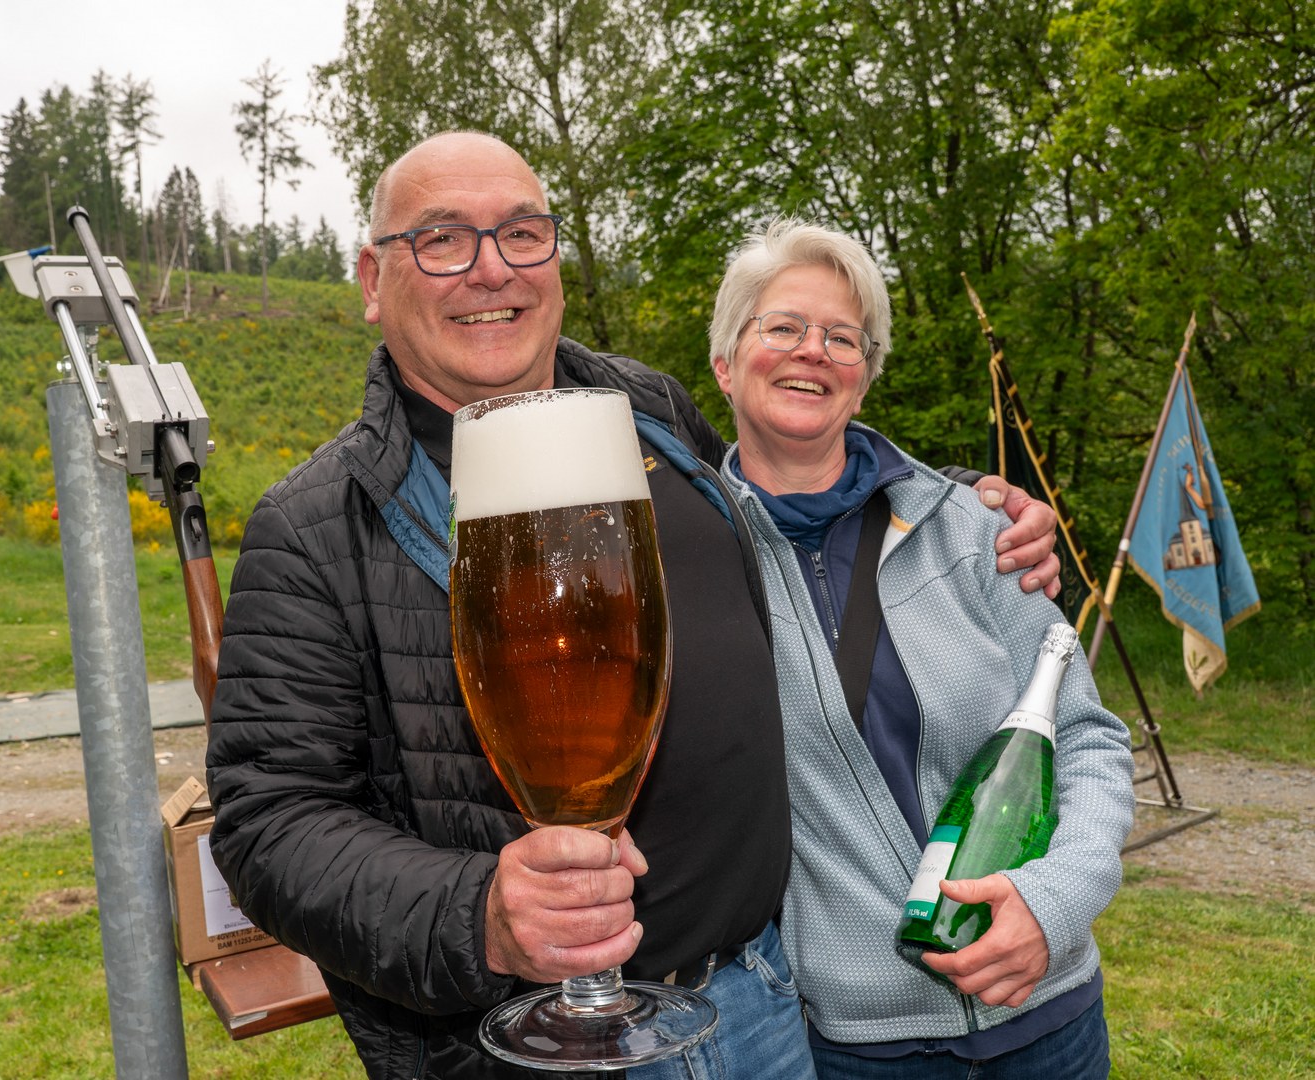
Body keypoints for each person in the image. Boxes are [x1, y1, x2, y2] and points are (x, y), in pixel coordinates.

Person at [204, 132, 1060, 1080]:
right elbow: (267, 823)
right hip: (548, 1047)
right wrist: (477, 913)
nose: (492, 269)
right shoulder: (317, 522)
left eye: (522, 233)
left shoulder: (644, 402)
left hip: (763, 995)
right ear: (373, 279)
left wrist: (951, 505)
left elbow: (785, 498)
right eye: (441, 239)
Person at [706, 217, 1134, 1078]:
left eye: (843, 338)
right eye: (784, 326)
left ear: (863, 379)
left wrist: (1052, 903)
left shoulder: (975, 531)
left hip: (1051, 1014)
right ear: (725, 361)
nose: (814, 350)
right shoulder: (694, 559)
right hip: (863, 1044)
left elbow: (1088, 736)